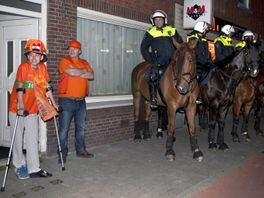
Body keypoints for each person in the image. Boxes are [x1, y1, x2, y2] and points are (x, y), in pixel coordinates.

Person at [9, 39, 57, 179]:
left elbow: (47, 88)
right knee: (17, 139)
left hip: (33, 110)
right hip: (17, 109)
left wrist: (53, 104)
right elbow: (19, 87)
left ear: (42, 56)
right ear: (28, 56)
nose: (34, 57)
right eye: (31, 55)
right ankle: (19, 165)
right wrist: (21, 106)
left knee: (32, 139)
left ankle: (34, 168)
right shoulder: (23, 67)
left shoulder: (43, 68)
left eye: (37, 55)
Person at [58, 40, 94, 163]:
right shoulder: (65, 61)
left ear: (80, 51)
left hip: (81, 101)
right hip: (66, 101)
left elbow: (91, 75)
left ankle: (81, 150)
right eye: (70, 48)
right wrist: (83, 71)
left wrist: (79, 72)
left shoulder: (84, 62)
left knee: (81, 128)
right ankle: (62, 153)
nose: (72, 50)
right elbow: (72, 72)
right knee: (64, 129)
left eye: (75, 49)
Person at [140, 10, 183, 109]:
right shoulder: (150, 32)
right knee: (153, 75)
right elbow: (144, 48)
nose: (158, 21)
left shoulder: (172, 30)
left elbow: (180, 44)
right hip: (159, 60)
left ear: (164, 21)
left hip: (173, 60)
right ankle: (154, 98)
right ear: (153, 22)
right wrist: (151, 59)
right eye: (156, 20)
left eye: (160, 20)